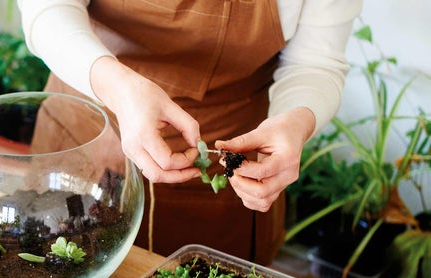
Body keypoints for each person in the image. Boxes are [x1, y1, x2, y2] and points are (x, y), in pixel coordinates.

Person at [18, 0, 363, 264]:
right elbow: (48, 8)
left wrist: (297, 120)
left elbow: (317, 62)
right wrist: (118, 87)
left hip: (224, 173)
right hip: (87, 131)